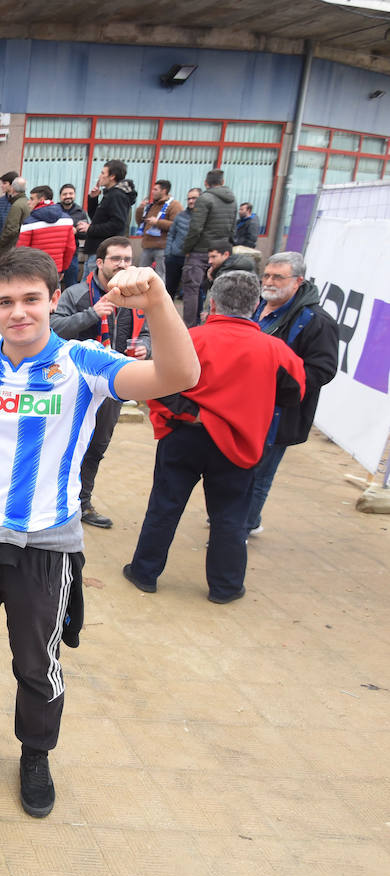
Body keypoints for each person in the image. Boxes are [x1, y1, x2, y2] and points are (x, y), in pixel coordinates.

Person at [0, 248, 201, 819]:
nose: (18, 312)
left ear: (54, 300)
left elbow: (179, 376)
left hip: (43, 545)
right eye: (5, 301)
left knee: (37, 661)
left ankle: (35, 754)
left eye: (31, 299)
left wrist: (159, 301)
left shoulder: (84, 362)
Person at [124, 271, 305, 603]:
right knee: (230, 516)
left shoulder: (190, 338)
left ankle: (144, 572)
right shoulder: (275, 350)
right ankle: (226, 586)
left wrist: (193, 412)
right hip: (238, 442)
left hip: (184, 436)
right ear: (255, 305)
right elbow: (294, 393)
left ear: (212, 303)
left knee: (164, 507)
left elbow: (156, 383)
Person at [49, 236, 150, 528]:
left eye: (128, 259)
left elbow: (148, 333)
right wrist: (92, 314)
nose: (122, 265)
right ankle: (52, 500)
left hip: (112, 385)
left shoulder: (136, 299)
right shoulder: (77, 294)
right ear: (100, 262)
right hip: (73, 386)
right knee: (61, 444)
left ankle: (82, 503)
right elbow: (53, 329)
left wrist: (146, 348)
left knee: (96, 446)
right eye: (116, 259)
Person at [245, 252, 339, 535]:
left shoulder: (316, 321)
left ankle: (242, 528)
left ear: (298, 281)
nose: (269, 282)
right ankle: (236, 518)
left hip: (278, 413)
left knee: (260, 474)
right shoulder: (255, 306)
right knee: (237, 468)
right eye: (267, 275)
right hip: (244, 407)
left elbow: (322, 370)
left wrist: (276, 382)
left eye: (278, 277)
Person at [181, 170, 237, 327]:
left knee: (192, 289)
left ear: (206, 183)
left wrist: (187, 248)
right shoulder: (232, 200)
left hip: (200, 250)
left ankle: (190, 327)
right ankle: (213, 324)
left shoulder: (204, 199)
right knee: (219, 288)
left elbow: (196, 228)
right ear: (223, 181)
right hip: (222, 251)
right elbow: (233, 227)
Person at [82, 160, 135, 275]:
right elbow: (96, 219)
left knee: (93, 283)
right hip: (96, 249)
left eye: (102, 173)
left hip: (103, 250)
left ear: (112, 176)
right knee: (88, 283)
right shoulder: (109, 194)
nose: (99, 176)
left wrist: (90, 229)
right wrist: (93, 199)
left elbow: (117, 224)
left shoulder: (117, 195)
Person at [17, 186, 77, 278]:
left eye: (32, 199)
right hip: (55, 270)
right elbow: (70, 248)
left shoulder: (29, 223)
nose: (28, 202)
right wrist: (63, 269)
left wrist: (21, 272)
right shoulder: (67, 220)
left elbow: (21, 251)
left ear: (41, 200)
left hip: (34, 271)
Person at [165, 188, 200, 298]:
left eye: (194, 198)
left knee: (191, 291)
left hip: (193, 258)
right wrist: (168, 253)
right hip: (174, 257)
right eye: (189, 198)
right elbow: (171, 233)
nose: (191, 201)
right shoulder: (180, 216)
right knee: (169, 290)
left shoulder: (204, 217)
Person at [134, 180, 175, 271]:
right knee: (142, 273)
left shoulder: (174, 205)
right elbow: (140, 222)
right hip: (147, 246)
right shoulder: (152, 205)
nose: (152, 192)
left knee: (160, 274)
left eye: (155, 189)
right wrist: (141, 208)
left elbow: (175, 225)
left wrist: (158, 222)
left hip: (162, 247)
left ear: (164, 191)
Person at [58, 184, 86, 289]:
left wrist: (76, 232)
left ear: (74, 195)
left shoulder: (80, 212)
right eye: (65, 194)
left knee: (72, 284)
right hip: (56, 253)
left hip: (72, 254)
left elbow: (85, 234)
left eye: (70, 193)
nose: (68, 196)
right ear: (60, 196)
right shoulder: (54, 210)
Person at [0, 178, 32, 252]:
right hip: (23, 245)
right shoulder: (27, 202)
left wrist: (1, 241)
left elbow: (11, 229)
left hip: (12, 246)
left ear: (12, 188)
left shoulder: (16, 205)